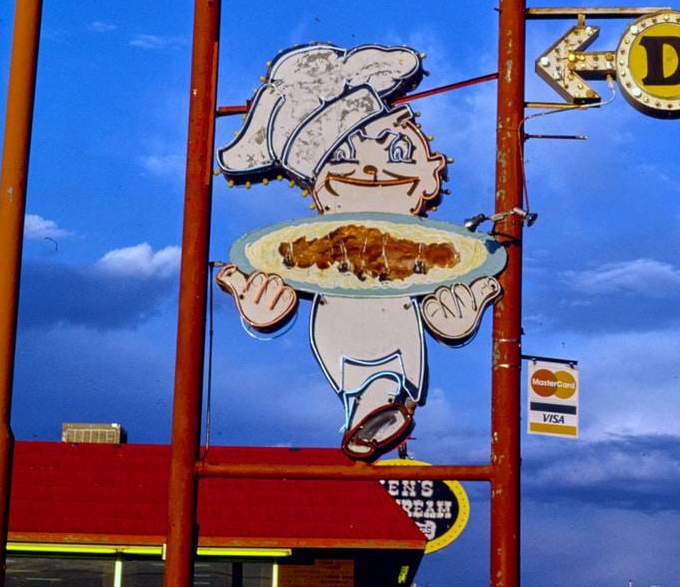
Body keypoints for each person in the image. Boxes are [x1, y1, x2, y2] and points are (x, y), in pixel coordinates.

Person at [215, 42, 502, 461]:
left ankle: (381, 398)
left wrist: (454, 317)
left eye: (397, 151)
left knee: (389, 355)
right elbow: (273, 286)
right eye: (345, 158)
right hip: (340, 324)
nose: (371, 170)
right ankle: (372, 400)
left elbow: (451, 301)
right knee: (362, 353)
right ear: (318, 188)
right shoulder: (304, 251)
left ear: (431, 175)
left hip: (401, 322)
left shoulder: (437, 251)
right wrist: (263, 306)